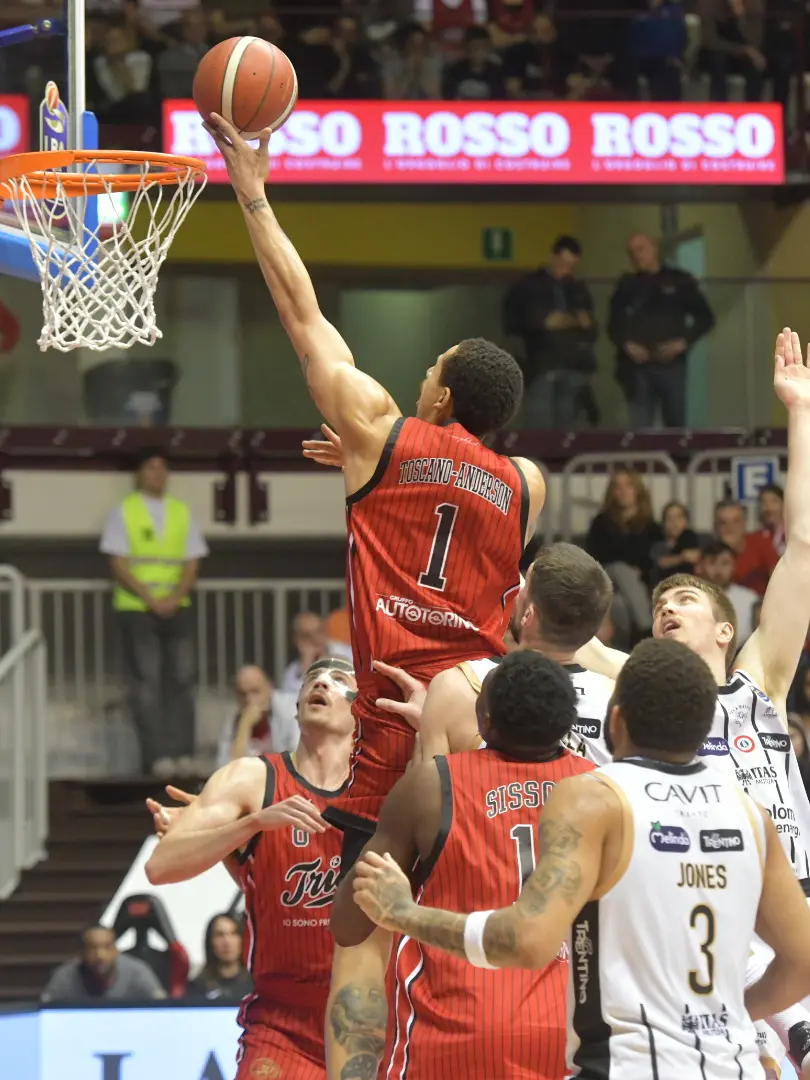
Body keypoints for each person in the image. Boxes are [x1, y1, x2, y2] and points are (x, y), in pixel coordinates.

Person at [205, 110, 546, 1079]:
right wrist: (369, 472)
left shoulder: (384, 428)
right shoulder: (528, 483)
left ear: (438, 396)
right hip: (478, 733)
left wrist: (254, 190)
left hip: (391, 730)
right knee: (460, 937)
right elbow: (466, 520)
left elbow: (301, 312)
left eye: (431, 369)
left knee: (357, 940)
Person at [352, 639, 810, 1079]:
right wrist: (730, 1011)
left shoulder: (595, 797)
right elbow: (802, 964)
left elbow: (526, 941)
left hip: (629, 1066)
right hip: (732, 1064)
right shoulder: (750, 815)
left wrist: (407, 915)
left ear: (616, 721)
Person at [577, 329, 810, 1071]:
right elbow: (564, 632)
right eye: (660, 604)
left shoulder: (759, 682)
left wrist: (799, 413)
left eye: (683, 599)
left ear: (725, 628)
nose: (667, 608)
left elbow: (802, 544)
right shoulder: (637, 690)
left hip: (793, 907)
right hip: (713, 924)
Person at [331, 651, 596, 1080]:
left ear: (485, 719)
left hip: (453, 1030)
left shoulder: (430, 785)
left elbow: (349, 925)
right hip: (568, 1032)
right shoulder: (601, 789)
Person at [145, 658, 356, 1080]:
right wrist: (251, 824)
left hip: (372, 1015)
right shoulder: (249, 779)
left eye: (339, 680)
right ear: (295, 708)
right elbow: (160, 867)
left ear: (362, 708)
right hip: (284, 1020)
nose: (322, 683)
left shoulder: (388, 783)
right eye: (313, 678)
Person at [368, 544, 614, 765]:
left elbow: (427, 807)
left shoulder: (458, 686)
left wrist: (431, 723)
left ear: (528, 615)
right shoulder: (619, 701)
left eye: (523, 586)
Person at [100, 447, 209, 777]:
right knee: (146, 682)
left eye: (163, 468)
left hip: (178, 608)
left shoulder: (180, 512)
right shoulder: (126, 511)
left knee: (183, 680)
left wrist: (174, 598)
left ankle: (182, 755)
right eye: (151, 468)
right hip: (137, 609)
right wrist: (152, 599)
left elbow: (192, 561)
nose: (158, 474)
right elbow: (118, 563)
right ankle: (156, 758)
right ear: (140, 474)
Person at [608, 232, 715, 428]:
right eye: (631, 252)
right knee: (640, 429)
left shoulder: (679, 281)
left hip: (671, 365)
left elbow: (705, 318)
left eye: (641, 249)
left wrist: (683, 342)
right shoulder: (626, 286)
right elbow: (613, 324)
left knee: (675, 425)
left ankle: (677, 459)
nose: (636, 256)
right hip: (637, 368)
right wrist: (627, 344)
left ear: (654, 248)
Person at [502, 235, 597, 429]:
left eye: (571, 265)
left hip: (574, 366)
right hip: (541, 366)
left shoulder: (577, 288)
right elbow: (533, 322)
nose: (566, 269)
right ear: (553, 257)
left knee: (567, 428)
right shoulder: (529, 286)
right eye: (563, 263)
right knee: (540, 425)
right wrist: (573, 321)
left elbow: (589, 325)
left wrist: (567, 321)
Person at [585, 468, 662, 648]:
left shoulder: (651, 527)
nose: (623, 491)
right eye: (617, 486)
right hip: (606, 578)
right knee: (619, 568)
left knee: (619, 604)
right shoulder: (601, 523)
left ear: (637, 490)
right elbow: (595, 557)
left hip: (634, 587)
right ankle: (647, 629)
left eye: (628, 485)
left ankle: (623, 652)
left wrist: (637, 570)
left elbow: (653, 562)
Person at [42, 924, 164, 1002]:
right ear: (81, 953)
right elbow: (45, 1012)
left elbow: (164, 1009)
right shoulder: (65, 977)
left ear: (116, 951)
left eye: (107, 947)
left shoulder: (137, 972)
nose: (100, 956)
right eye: (92, 948)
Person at [216, 664, 299, 768]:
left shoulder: (290, 711)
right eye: (243, 694)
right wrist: (244, 728)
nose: (249, 700)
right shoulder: (233, 723)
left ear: (269, 688)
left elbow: (298, 760)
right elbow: (225, 772)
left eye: (255, 692)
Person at [697, 539, 759, 644]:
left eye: (725, 563)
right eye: (712, 562)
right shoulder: (690, 598)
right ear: (701, 566)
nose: (718, 569)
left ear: (734, 566)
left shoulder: (750, 599)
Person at [714, 497, 779, 597]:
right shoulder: (708, 556)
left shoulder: (761, 544)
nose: (730, 528)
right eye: (723, 523)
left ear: (744, 523)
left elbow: (779, 580)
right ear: (715, 527)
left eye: (736, 521)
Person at [187, 914, 253, 1002]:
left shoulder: (257, 986)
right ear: (210, 942)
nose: (227, 942)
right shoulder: (197, 987)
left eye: (233, 934)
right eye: (219, 935)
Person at [650, 499, 700, 585]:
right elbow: (660, 563)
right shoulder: (658, 546)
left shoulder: (696, 539)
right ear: (664, 524)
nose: (674, 522)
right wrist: (682, 557)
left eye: (679, 517)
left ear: (686, 521)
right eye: (669, 518)